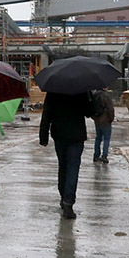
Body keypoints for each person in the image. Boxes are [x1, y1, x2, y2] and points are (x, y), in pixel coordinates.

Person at [38, 89, 95, 218]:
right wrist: (90, 96)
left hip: (59, 134)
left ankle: (63, 195)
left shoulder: (54, 90)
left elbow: (47, 113)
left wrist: (43, 136)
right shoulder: (81, 90)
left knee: (63, 166)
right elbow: (89, 112)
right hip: (76, 135)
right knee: (73, 168)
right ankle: (68, 202)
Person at [91, 87, 115, 163]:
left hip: (97, 120)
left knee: (98, 138)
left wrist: (94, 118)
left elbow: (91, 108)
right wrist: (111, 119)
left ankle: (96, 155)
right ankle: (104, 156)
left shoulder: (94, 95)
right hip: (105, 121)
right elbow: (110, 109)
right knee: (106, 139)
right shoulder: (106, 96)